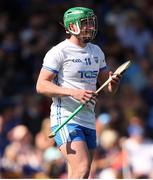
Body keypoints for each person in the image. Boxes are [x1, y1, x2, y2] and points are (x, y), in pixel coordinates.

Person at [36, 7, 121, 179]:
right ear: (71, 26)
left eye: (91, 23)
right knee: (81, 169)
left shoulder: (96, 51)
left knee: (80, 172)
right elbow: (41, 85)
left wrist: (113, 83)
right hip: (66, 118)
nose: (90, 27)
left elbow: (109, 89)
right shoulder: (59, 52)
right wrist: (72, 92)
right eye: (85, 23)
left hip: (89, 119)